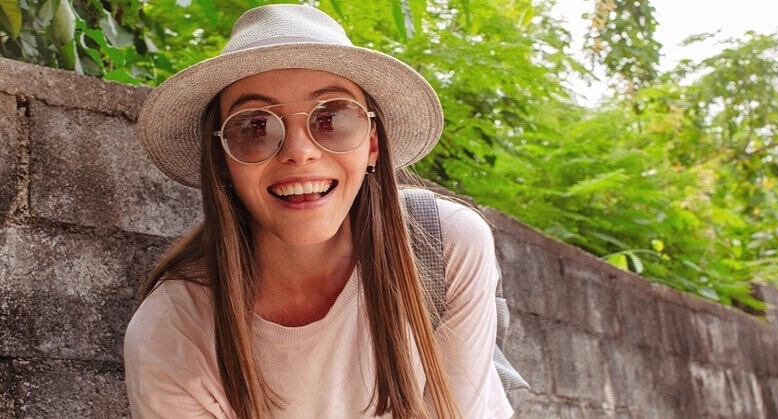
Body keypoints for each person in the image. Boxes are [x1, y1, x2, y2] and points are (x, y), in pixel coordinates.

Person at [124, 4, 513, 418]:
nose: (300, 152)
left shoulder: (446, 244)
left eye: (332, 118)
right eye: (254, 127)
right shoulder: (171, 332)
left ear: (373, 144)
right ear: (221, 159)